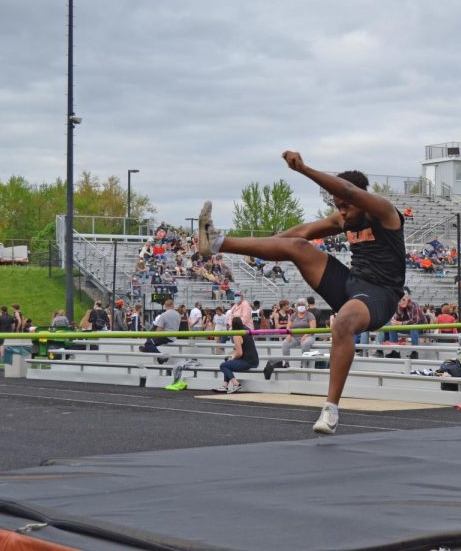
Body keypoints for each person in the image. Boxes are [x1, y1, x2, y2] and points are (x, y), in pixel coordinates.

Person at [198, 151, 405, 434]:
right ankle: (217, 241)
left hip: (381, 295)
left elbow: (345, 189)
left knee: (342, 322)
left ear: (359, 198)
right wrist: (270, 245)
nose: (342, 212)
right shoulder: (343, 218)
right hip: (351, 285)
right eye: (337, 207)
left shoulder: (384, 212)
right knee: (296, 245)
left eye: (346, 206)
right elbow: (304, 230)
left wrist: (304, 169)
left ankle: (330, 411)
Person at [213, 317, 259, 394]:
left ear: (233, 325)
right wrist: (232, 357)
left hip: (247, 361)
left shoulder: (237, 335)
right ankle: (225, 386)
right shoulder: (246, 331)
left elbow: (239, 353)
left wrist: (233, 358)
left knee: (223, 365)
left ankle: (236, 384)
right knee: (227, 362)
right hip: (253, 360)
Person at [138, 299, 179, 363]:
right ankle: (158, 357)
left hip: (166, 336)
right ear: (173, 305)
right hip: (174, 337)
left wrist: (153, 335)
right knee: (148, 344)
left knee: (148, 343)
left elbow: (159, 330)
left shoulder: (164, 315)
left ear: (165, 306)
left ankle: (161, 356)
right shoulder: (178, 314)